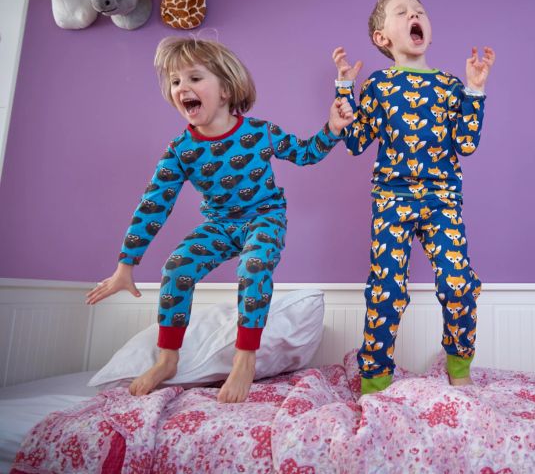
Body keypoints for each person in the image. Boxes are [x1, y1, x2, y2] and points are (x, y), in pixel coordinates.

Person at [86, 36, 353, 403]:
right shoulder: (181, 150)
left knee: (253, 266)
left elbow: (306, 154)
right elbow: (153, 205)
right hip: (220, 225)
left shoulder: (260, 133)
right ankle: (167, 360)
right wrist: (125, 265)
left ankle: (244, 361)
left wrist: (333, 129)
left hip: (265, 216)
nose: (182, 88)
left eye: (194, 78)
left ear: (225, 90)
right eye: (175, 81)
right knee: (177, 268)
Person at [333, 0, 495, 394]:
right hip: (392, 198)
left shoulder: (449, 85)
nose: (413, 15)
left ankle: (460, 367)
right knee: (386, 290)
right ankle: (375, 380)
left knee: (459, 283)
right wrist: (342, 88)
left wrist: (475, 89)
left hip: (442, 199)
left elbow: (468, 144)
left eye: (419, 11)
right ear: (382, 38)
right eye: (401, 12)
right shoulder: (377, 85)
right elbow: (354, 142)